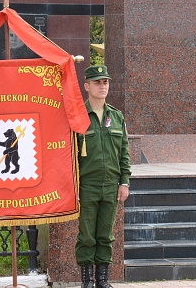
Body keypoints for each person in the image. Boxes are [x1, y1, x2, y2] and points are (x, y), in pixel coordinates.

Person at [76, 65, 131, 288]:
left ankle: (102, 281)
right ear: (86, 85)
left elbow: (124, 153)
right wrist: (74, 186)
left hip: (110, 185)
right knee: (87, 235)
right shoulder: (78, 117)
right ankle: (87, 281)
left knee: (106, 235)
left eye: (105, 82)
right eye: (97, 82)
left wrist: (124, 182)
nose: (102, 86)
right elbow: (69, 154)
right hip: (87, 186)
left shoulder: (116, 117)